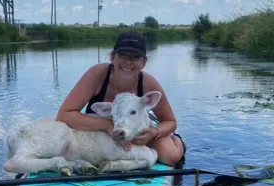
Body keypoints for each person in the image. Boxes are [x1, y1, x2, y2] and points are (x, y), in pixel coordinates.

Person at [55, 30, 186, 170]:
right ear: (112, 57)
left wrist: (154, 133)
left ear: (144, 62)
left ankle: (177, 141)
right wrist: (107, 126)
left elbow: (170, 121)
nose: (128, 62)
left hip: (136, 132)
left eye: (135, 57)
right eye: (122, 55)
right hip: (99, 133)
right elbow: (63, 115)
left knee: (171, 156)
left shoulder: (148, 83)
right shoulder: (97, 75)